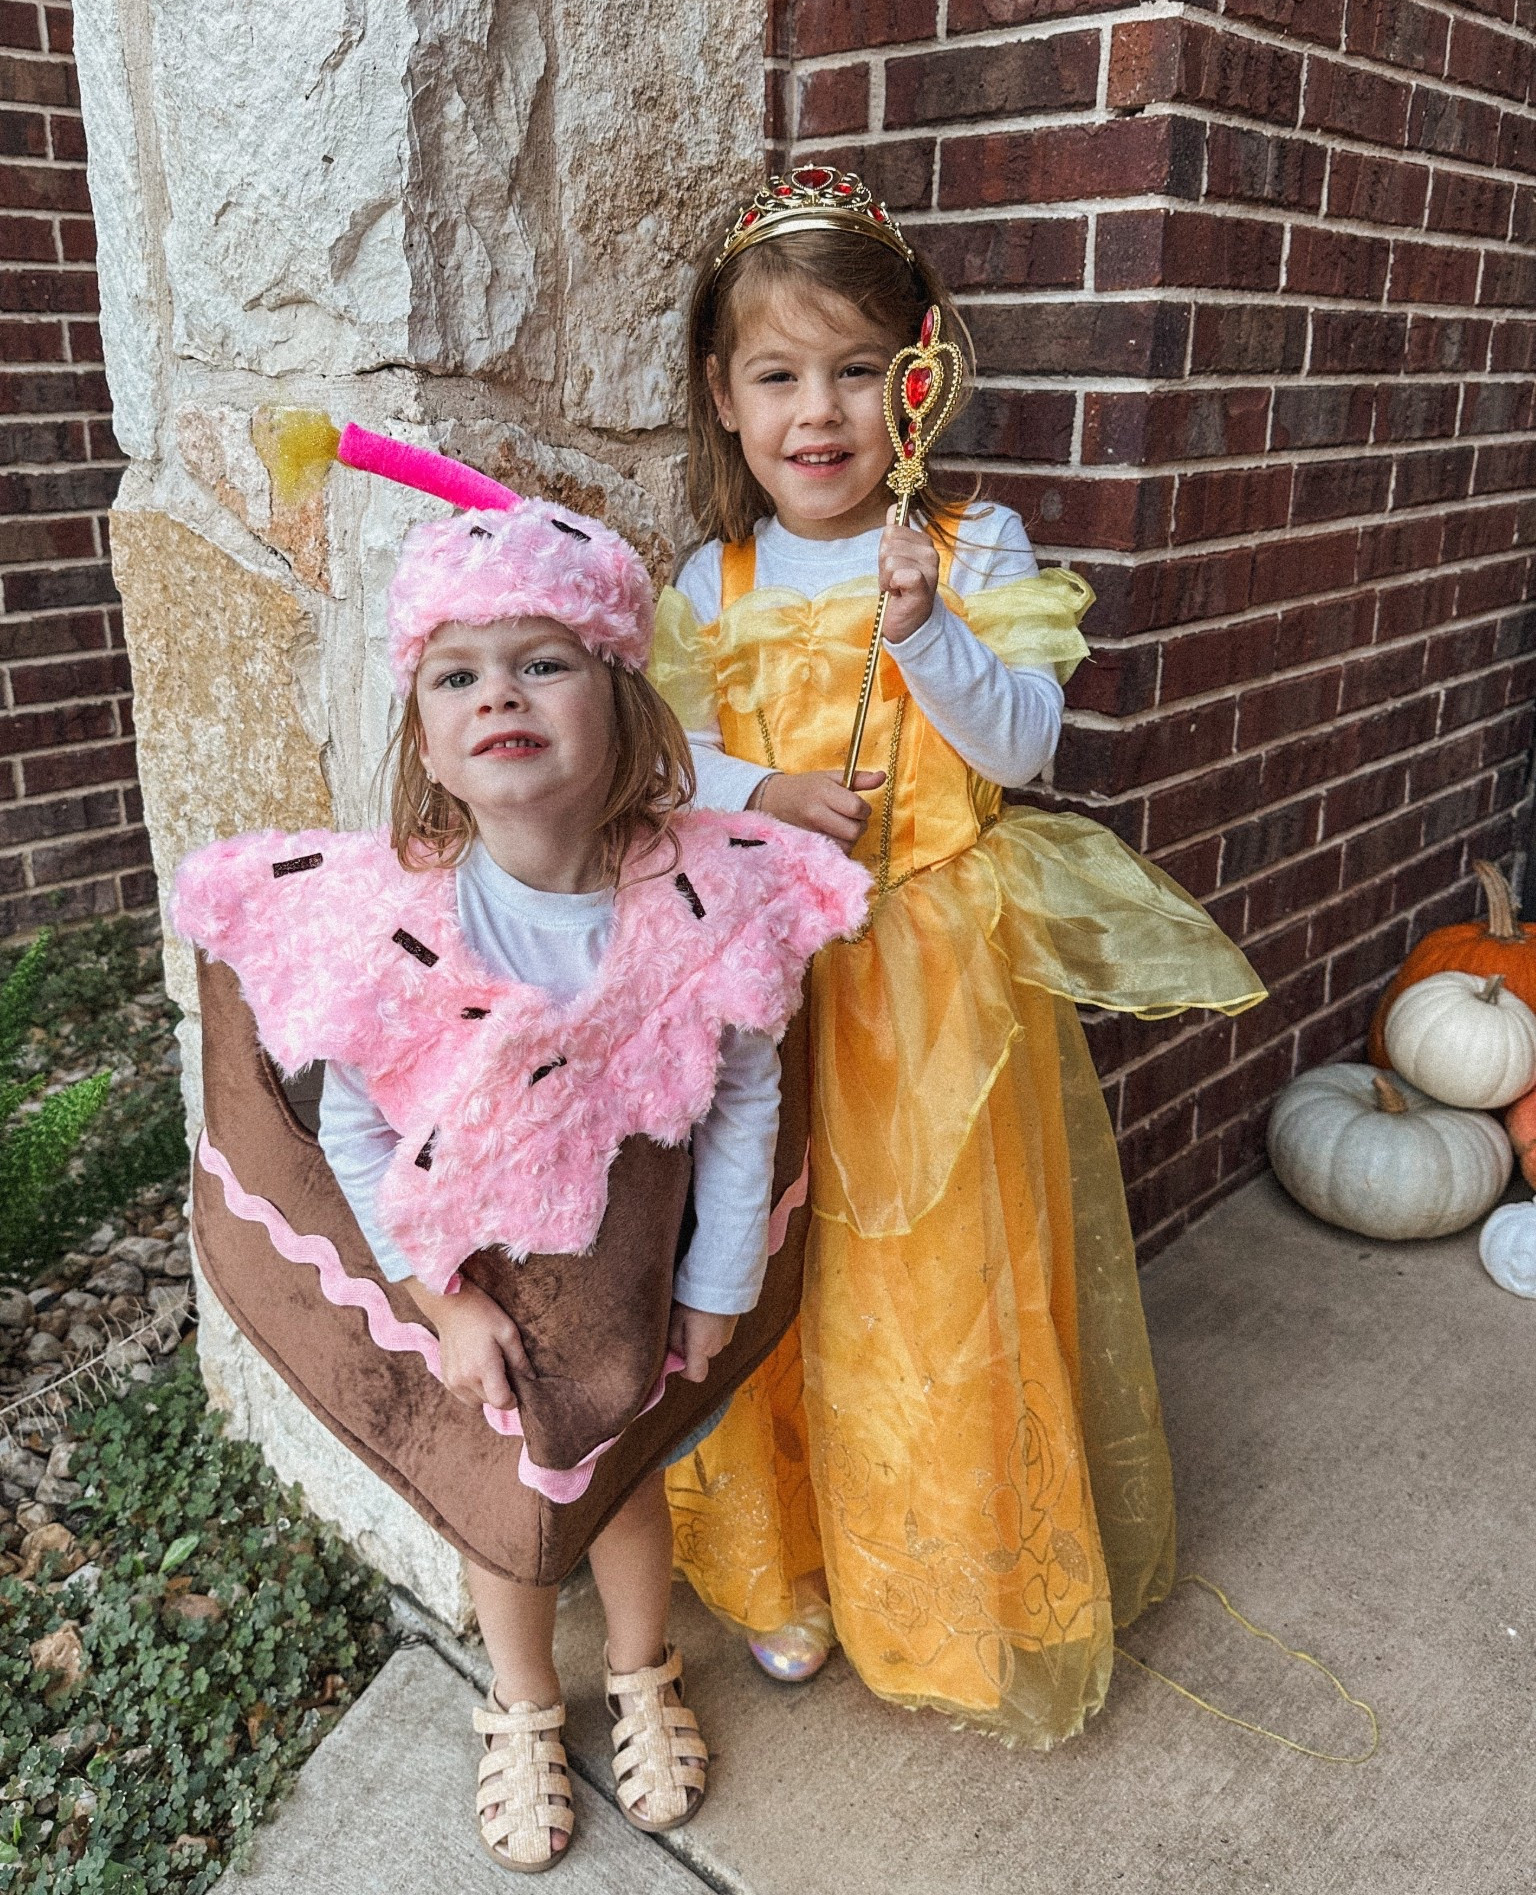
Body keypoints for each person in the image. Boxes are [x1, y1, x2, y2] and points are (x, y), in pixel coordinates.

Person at [173, 466, 868, 1870]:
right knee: (510, 1508)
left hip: (632, 1273)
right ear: (426, 742)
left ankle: (641, 1673)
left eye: (542, 663)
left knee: (622, 1487)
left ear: (621, 709)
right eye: (459, 677)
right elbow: (363, 1131)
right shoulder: (400, 926)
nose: (499, 697)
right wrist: (442, 1303)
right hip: (486, 1282)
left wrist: (721, 1278)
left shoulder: (695, 897)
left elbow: (743, 1094)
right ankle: (523, 1704)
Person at [652, 166, 1265, 1748]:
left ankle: (944, 1586)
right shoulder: (706, 588)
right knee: (776, 1259)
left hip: (938, 981)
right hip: (781, 985)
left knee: (935, 1284)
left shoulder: (969, 542)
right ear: (723, 399)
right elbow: (659, 772)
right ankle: (782, 1563)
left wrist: (929, 634)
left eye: (859, 370)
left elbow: (1028, 743)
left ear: (918, 377)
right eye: (778, 376)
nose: (819, 413)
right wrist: (763, 793)